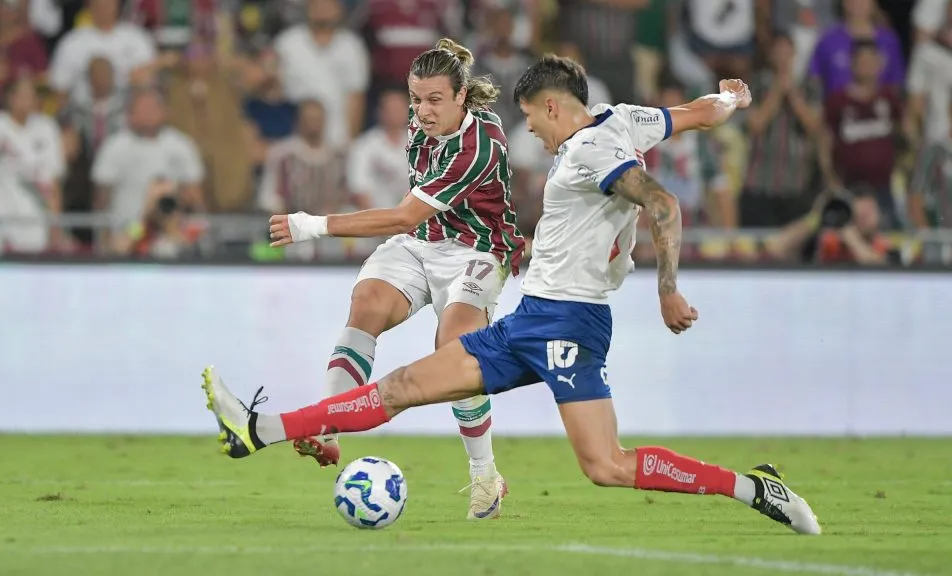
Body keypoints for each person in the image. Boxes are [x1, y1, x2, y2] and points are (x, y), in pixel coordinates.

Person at [203, 55, 821, 535]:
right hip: (529, 321)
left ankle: (751, 489)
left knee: (606, 466)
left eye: (531, 118)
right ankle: (258, 430)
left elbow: (662, 203)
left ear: (553, 107)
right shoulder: (624, 118)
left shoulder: (587, 152)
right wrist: (732, 99)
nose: (530, 131)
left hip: (569, 327)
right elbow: (699, 113)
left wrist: (668, 290)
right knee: (400, 388)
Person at [263, 38, 526, 520]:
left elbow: (404, 215)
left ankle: (485, 476)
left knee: (456, 347)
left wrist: (313, 225)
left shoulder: (479, 146)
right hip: (422, 241)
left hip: (478, 250)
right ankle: (327, 426)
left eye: (434, 100)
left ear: (462, 97)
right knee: (366, 304)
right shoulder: (420, 120)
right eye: (416, 99)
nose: (422, 111)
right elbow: (412, 222)